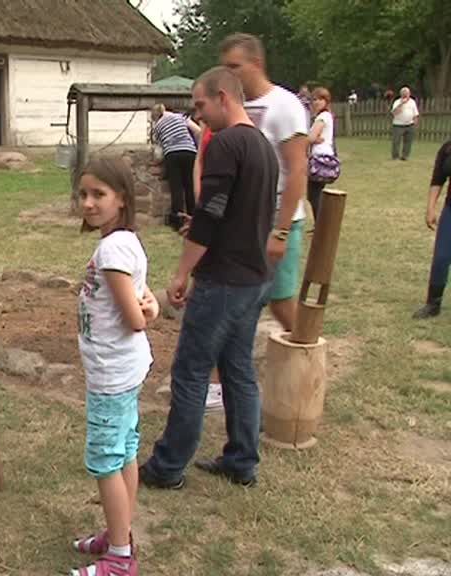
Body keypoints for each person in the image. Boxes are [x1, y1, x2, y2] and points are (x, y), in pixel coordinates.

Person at [139, 66, 278, 491]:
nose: (197, 116)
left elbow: (211, 216)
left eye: (200, 105)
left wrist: (183, 272)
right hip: (255, 277)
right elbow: (238, 213)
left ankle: (167, 467)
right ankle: (241, 460)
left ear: (223, 96)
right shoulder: (262, 146)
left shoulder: (226, 144)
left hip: (226, 281)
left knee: (191, 371)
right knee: (238, 369)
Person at [68, 154, 158, 576]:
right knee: (124, 453)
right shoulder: (126, 241)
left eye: (98, 194)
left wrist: (145, 311)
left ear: (121, 199)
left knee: (106, 460)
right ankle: (118, 530)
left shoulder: (111, 248)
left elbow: (134, 318)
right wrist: (150, 305)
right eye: (83, 193)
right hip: (125, 370)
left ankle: (120, 558)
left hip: (112, 375)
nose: (88, 202)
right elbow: (144, 298)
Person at [220, 33, 309, 333]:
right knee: (240, 298)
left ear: (256, 64)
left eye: (234, 67)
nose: (228, 75)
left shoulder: (286, 106)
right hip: (245, 221)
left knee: (280, 300)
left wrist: (281, 232)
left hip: (277, 219)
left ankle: (307, 357)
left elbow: (297, 171)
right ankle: (225, 375)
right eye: (225, 68)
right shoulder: (235, 106)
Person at [412, 139, 451, 319]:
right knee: (442, 256)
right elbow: (438, 178)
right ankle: (433, 303)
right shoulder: (447, 148)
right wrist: (430, 208)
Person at [152, 104, 199, 229]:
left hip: (172, 154)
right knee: (190, 186)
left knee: (176, 188)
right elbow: (197, 130)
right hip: (190, 152)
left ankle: (178, 221)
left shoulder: (156, 127)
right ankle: (193, 217)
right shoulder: (180, 117)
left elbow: (158, 150)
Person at [307, 87, 337, 221]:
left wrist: (312, 138)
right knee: (315, 193)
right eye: (314, 99)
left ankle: (321, 224)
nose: (316, 102)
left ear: (326, 101)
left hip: (320, 158)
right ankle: (319, 223)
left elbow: (311, 137)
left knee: (314, 194)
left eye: (320, 99)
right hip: (323, 154)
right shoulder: (326, 116)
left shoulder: (322, 116)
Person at [391, 86, 420, 161]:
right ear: (401, 94)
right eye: (404, 94)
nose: (405, 95)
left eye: (407, 93)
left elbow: (415, 114)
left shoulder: (412, 102)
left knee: (408, 141)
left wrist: (415, 123)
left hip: (410, 124)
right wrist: (401, 104)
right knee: (396, 141)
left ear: (409, 94)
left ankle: (405, 156)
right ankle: (395, 156)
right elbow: (394, 113)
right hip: (398, 125)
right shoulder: (397, 102)